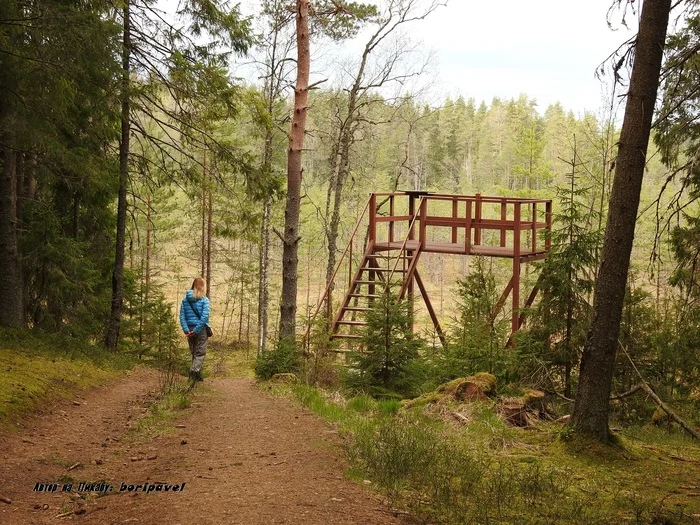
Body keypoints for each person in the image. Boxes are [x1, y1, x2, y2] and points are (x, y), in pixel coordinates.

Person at [179, 277, 210, 382]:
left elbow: (182, 316)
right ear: (202, 287)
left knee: (194, 352)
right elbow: (204, 317)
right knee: (200, 352)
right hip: (200, 329)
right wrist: (196, 330)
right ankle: (193, 372)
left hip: (189, 329)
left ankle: (196, 376)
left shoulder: (185, 299)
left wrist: (186, 330)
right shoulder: (204, 300)